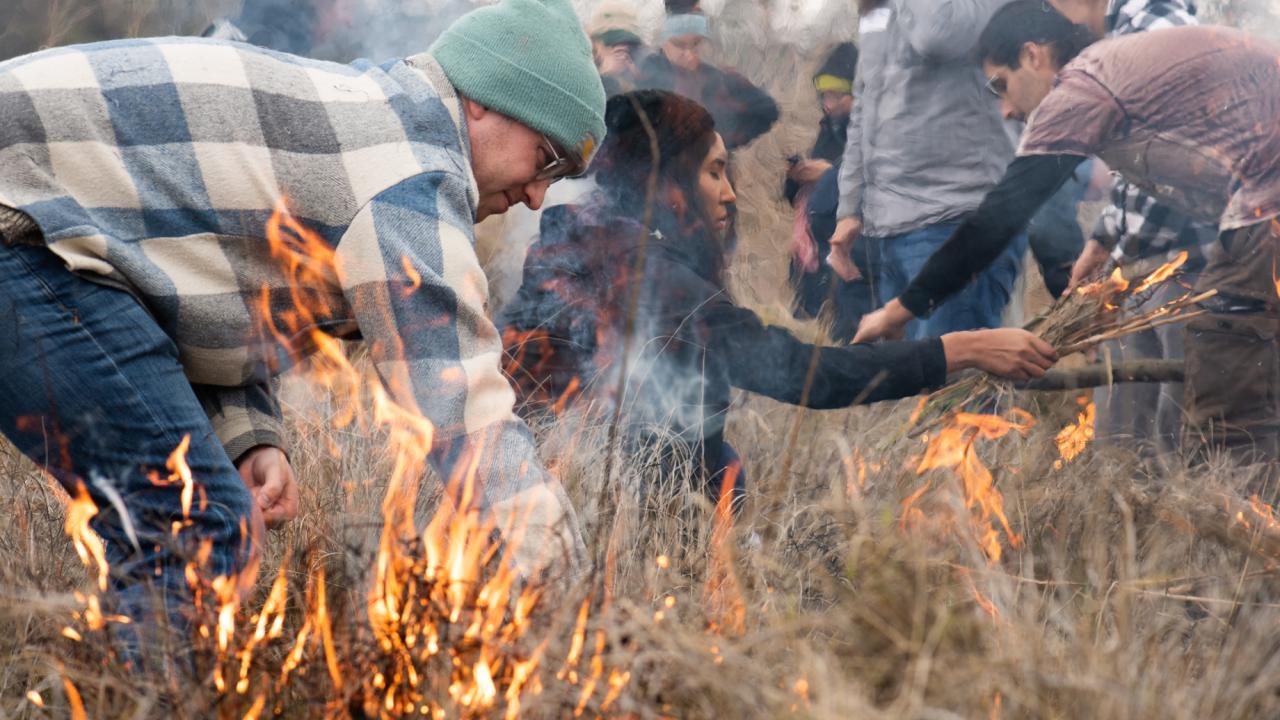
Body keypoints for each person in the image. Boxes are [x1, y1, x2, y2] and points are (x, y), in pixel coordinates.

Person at [0, 0, 605, 628]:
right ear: (484, 98)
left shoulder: (374, 115)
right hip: (20, 225)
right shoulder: (411, 173)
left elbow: (191, 273)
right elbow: (464, 414)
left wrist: (247, 434)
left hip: (44, 230)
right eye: (547, 159)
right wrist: (569, 594)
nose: (538, 197)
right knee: (193, 526)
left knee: (199, 517)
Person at [499, 90, 1058, 504]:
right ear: (666, 185)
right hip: (590, 499)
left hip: (536, 476)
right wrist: (959, 350)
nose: (730, 193)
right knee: (720, 476)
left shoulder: (582, 239)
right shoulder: (655, 281)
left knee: (722, 465)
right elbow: (804, 374)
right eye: (714, 172)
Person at [852, 1, 1280, 461]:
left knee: (1226, 393)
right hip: (1260, 202)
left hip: (1264, 205)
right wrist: (1102, 240)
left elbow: (997, 220)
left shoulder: (1081, 85)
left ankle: (1240, 519)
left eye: (1002, 86)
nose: (1007, 111)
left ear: (1033, 56)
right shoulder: (1113, 73)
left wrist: (901, 309)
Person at [1048, 0, 1217, 455]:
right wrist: (1102, 242)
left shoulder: (1155, 22)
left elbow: (1181, 160)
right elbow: (1138, 170)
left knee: (1176, 441)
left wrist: (1121, 265)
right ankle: (1125, 520)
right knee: (1124, 434)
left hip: (1187, 271)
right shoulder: (1124, 32)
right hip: (1149, 268)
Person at [827, 0, 1028, 341]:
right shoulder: (882, 10)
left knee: (955, 386)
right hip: (891, 228)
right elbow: (867, 101)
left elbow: (937, 35)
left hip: (958, 220)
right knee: (913, 385)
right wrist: (849, 207)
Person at [785, 42, 877, 343]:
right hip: (817, 263)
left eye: (838, 95)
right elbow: (792, 197)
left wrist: (828, 174)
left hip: (855, 258)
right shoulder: (829, 129)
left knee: (853, 336)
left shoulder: (874, 133)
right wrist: (797, 177)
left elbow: (873, 185)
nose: (829, 103)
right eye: (824, 95)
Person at [635, 2, 780, 150]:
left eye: (696, 44)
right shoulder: (647, 81)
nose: (690, 55)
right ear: (662, 42)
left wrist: (727, 143)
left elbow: (767, 110)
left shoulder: (719, 78)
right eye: (679, 45)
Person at [586, 0, 649, 96]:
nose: (623, 55)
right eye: (614, 44)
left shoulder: (640, 77)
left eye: (630, 46)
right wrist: (605, 75)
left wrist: (640, 80)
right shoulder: (582, 73)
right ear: (596, 45)